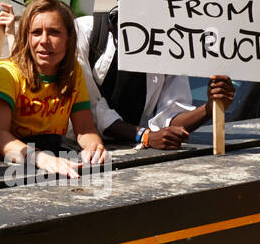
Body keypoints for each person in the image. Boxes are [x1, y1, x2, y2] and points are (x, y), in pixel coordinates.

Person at [0, 0, 104, 179]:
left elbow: (85, 129)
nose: (44, 40)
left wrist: (95, 148)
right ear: (26, 37)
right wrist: (39, 157)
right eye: (36, 32)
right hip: (4, 171)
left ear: (69, 37)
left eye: (54, 32)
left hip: (53, 166)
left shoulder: (73, 71)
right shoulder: (6, 73)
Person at [76, 9, 235, 149]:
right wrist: (145, 136)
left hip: (137, 161)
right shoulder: (87, 31)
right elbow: (89, 109)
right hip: (79, 156)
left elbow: (170, 118)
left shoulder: (171, 45)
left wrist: (209, 109)